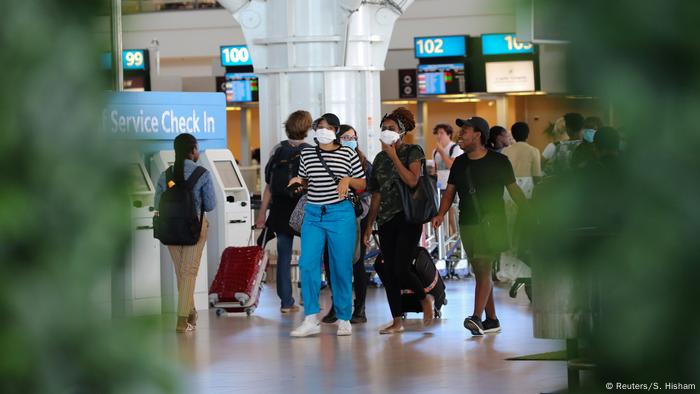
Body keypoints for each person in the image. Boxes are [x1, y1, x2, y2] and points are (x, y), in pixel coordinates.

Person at [431, 116, 528, 336]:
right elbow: (450, 192)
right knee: (480, 271)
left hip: (492, 223)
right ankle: (492, 320)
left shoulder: (499, 162)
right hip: (468, 222)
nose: (460, 135)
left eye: (464, 131)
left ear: (478, 135)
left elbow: (514, 191)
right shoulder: (460, 163)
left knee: (484, 266)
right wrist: (440, 214)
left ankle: (475, 317)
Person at [288, 120, 366, 337]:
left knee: (341, 266)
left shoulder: (348, 154)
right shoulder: (307, 154)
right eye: (320, 127)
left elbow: (363, 183)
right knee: (307, 263)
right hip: (313, 214)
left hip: (340, 214)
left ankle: (344, 318)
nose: (324, 131)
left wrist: (348, 179)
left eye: (329, 128)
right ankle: (311, 317)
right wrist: (298, 181)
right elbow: (305, 179)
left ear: (336, 131)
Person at [363, 107, 435, 334]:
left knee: (401, 267)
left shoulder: (413, 151)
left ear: (402, 132)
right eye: (383, 129)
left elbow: (413, 181)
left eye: (391, 129)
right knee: (389, 270)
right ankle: (397, 320)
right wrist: (368, 226)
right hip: (385, 220)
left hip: (408, 218)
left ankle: (425, 299)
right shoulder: (379, 159)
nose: (386, 132)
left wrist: (394, 155)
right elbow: (376, 194)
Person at [154, 133, 216, 333]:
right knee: (188, 272)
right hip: (194, 229)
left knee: (182, 272)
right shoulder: (203, 174)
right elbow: (211, 205)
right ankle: (182, 320)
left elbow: (157, 204)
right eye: (197, 148)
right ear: (193, 151)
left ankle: (190, 313)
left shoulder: (165, 175)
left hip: (170, 229)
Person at [256, 110, 311, 314]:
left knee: (283, 255)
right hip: (303, 208)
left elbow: (269, 185)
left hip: (279, 209)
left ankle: (286, 302)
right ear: (306, 128)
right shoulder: (310, 151)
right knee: (309, 255)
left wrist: (262, 213)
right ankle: (307, 297)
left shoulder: (277, 150)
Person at [322, 124, 373, 324]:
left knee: (356, 262)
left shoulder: (364, 163)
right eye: (345, 137)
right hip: (330, 216)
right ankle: (337, 306)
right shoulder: (326, 158)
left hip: (357, 217)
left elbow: (370, 189)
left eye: (353, 137)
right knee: (331, 261)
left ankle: (360, 308)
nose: (350, 140)